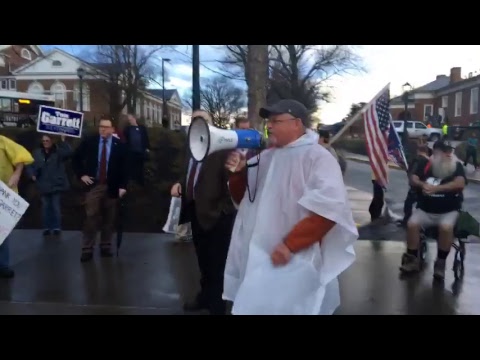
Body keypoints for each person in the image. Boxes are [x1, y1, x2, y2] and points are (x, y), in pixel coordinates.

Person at [225, 99, 358, 315]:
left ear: (297, 123)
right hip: (260, 253)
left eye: (275, 121)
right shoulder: (265, 157)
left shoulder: (318, 158)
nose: (268, 126)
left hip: (295, 255)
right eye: (268, 121)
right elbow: (244, 199)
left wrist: (290, 245)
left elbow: (329, 209)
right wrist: (239, 173)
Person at [170, 110, 236, 315]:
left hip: (217, 218)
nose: (198, 124)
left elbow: (234, 185)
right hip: (196, 213)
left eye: (203, 120)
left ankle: (217, 306)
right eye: (194, 120)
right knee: (203, 261)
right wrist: (180, 184)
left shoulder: (223, 150)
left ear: (211, 124)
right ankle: (205, 297)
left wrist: (221, 211)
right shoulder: (190, 148)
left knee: (217, 265)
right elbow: (190, 174)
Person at [400, 140, 466, 280]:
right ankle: (411, 260)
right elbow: (413, 178)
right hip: (425, 210)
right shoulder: (426, 165)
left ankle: (440, 263)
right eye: (442, 152)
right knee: (412, 224)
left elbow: (460, 183)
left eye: (448, 152)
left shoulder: (457, 166)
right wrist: (422, 184)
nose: (447, 155)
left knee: (446, 227)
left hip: (449, 210)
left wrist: (437, 188)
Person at [72, 117, 129, 262]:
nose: (102, 129)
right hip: (95, 184)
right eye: (101, 126)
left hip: (112, 185)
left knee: (109, 218)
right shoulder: (90, 141)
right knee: (91, 216)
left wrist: (123, 187)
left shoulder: (119, 145)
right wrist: (81, 174)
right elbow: (76, 158)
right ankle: (87, 249)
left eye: (106, 127)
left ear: (112, 129)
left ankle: (105, 246)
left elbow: (125, 168)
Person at [0, 135, 34, 278]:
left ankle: (3, 265)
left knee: (2, 230)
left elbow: (21, 154)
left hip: (3, 193)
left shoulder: (2, 141)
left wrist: (17, 173)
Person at [26, 134, 72, 237]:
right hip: (43, 184)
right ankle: (47, 227)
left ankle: (56, 227)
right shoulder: (37, 153)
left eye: (47, 140)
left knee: (55, 207)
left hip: (56, 184)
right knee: (46, 207)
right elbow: (29, 164)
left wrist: (63, 140)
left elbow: (68, 153)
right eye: (44, 141)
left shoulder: (58, 151)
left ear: (52, 141)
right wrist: (32, 174)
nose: (45, 142)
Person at [400, 144, 430, 226]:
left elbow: (413, 172)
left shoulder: (417, 160)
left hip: (416, 186)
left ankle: (406, 221)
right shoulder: (430, 161)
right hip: (426, 186)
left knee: (408, 203)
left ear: (418, 151)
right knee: (421, 206)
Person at [123, 114, 150, 186]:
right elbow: (124, 139)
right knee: (131, 167)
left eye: (131, 119)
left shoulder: (142, 128)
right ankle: (132, 181)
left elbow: (146, 138)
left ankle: (140, 182)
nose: (130, 121)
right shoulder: (127, 129)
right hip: (131, 152)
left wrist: (147, 148)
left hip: (141, 151)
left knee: (140, 167)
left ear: (134, 119)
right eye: (129, 120)